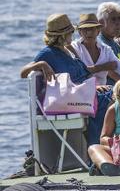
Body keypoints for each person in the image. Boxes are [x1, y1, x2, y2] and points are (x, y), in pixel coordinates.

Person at [20, 13, 112, 146]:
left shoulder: (67, 50)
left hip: (82, 94)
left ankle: (109, 147)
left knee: (119, 94)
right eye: (70, 33)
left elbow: (84, 75)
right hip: (71, 99)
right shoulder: (48, 53)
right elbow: (23, 73)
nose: (72, 35)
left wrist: (94, 87)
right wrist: (41, 64)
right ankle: (97, 147)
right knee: (108, 101)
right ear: (61, 36)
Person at [71, 13, 120, 86]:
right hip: (82, 92)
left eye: (92, 29)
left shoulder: (105, 49)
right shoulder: (74, 47)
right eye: (85, 29)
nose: (89, 32)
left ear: (98, 31)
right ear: (80, 32)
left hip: (103, 92)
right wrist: (104, 66)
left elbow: (119, 65)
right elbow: (79, 72)